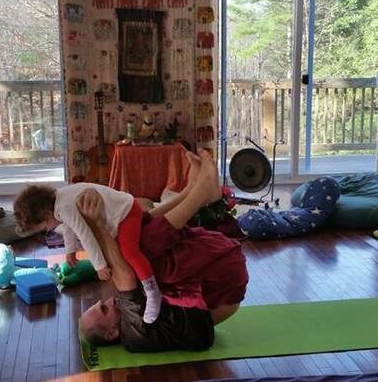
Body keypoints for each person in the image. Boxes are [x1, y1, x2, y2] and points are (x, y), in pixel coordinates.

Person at [77, 150, 249, 353]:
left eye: (102, 303)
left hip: (211, 279)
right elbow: (123, 274)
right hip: (224, 287)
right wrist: (96, 224)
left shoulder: (129, 321)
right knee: (143, 249)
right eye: (104, 309)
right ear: (112, 333)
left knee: (134, 236)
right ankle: (199, 195)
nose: (109, 301)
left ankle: (191, 191)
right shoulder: (133, 332)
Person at [13, 182, 163, 323]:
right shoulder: (59, 201)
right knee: (119, 253)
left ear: (46, 213)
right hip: (120, 213)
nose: (49, 231)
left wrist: (100, 266)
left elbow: (85, 235)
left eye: (45, 228)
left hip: (126, 211)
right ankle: (144, 286)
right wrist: (70, 250)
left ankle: (152, 292)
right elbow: (68, 227)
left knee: (130, 252)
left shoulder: (64, 208)